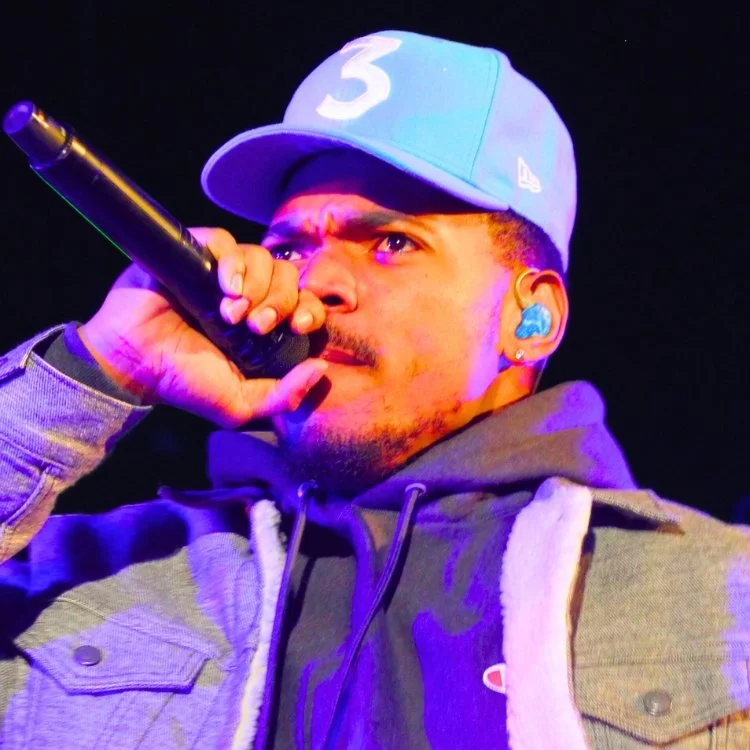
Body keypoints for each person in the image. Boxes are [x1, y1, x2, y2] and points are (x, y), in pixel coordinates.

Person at [1, 29, 748, 750]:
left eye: (393, 243)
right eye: (289, 247)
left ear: (531, 317)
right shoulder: (86, 580)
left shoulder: (719, 596)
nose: (317, 280)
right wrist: (100, 365)